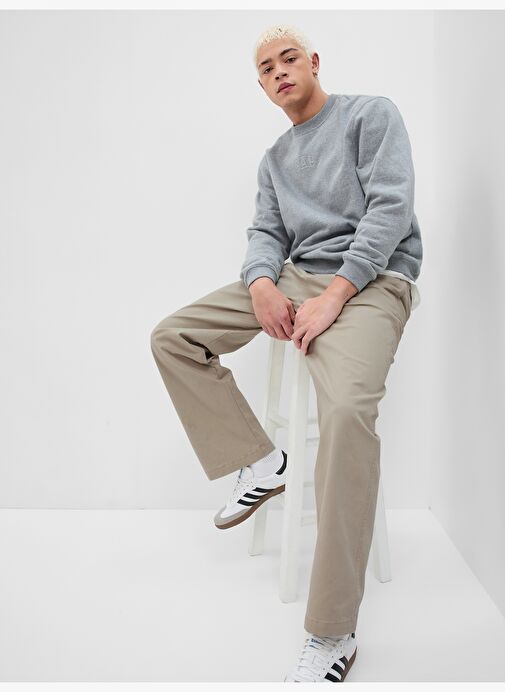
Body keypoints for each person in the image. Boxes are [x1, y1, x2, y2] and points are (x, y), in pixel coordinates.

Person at [150, 23, 422, 684]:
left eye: (289, 58)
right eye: (266, 67)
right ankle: (260, 461)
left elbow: (390, 211)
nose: (279, 71)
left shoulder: (369, 116)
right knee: (174, 337)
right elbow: (265, 232)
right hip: (296, 279)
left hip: (373, 283)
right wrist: (262, 284)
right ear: (262, 86)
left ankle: (332, 630)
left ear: (313, 62)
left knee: (346, 416)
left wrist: (334, 295)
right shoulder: (274, 159)